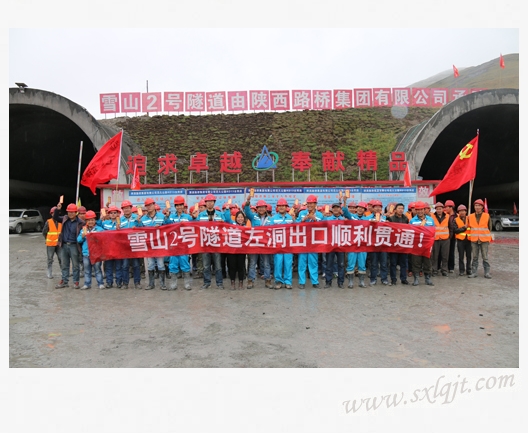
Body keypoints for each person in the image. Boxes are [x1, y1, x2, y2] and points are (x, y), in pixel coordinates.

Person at [195, 193, 227, 289]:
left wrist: (223, 223)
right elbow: (196, 227)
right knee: (206, 265)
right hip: (205, 243)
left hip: (216, 243)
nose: (209, 203)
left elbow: (225, 227)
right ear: (205, 203)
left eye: (211, 201)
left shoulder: (220, 214)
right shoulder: (201, 215)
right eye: (208, 202)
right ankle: (206, 282)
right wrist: (194, 218)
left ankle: (219, 283)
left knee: (218, 265)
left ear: (214, 202)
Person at [138, 197, 168, 290]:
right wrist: (138, 222)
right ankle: (151, 284)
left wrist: (166, 219)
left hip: (159, 244)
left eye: (150, 205)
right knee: (150, 264)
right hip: (149, 245)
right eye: (147, 206)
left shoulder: (162, 216)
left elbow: (169, 226)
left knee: (160, 264)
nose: (149, 207)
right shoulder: (143, 219)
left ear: (154, 205)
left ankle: (162, 284)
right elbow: (140, 230)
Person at [53, 203, 85, 289]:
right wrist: (57, 209)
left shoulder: (80, 222)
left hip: (74, 245)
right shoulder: (64, 219)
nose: (70, 214)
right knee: (64, 264)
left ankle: (76, 282)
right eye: (69, 212)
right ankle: (64, 281)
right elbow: (55, 217)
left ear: (76, 212)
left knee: (75, 265)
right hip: (64, 245)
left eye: (72, 212)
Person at [295, 194, 324, 289]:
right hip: (303, 242)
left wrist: (315, 220)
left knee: (313, 262)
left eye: (312, 203)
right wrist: (303, 220)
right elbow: (295, 225)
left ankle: (315, 282)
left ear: (315, 204)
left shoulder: (320, 215)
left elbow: (324, 227)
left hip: (313, 242)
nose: (310, 205)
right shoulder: (302, 213)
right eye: (308, 203)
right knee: (302, 263)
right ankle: (301, 282)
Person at [165, 196, 193, 290]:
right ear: (175, 207)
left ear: (183, 206)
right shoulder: (171, 217)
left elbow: (194, 227)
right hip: (173, 245)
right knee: (173, 263)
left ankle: (187, 283)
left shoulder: (188, 217)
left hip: (184, 244)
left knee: (184, 262)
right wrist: (167, 217)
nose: (179, 207)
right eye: (177, 205)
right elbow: (166, 226)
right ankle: (173, 283)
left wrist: (194, 218)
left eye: (181, 205)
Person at [244, 198, 272, 289]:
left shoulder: (270, 219)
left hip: (265, 245)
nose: (261, 209)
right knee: (252, 263)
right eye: (259, 207)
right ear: (257, 209)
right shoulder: (253, 217)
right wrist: (247, 202)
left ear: (266, 208)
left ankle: (268, 280)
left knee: (266, 263)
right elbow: (247, 211)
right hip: (255, 244)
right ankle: (250, 280)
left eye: (263, 207)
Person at [269, 198, 295, 289]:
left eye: (283, 206)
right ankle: (278, 281)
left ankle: (288, 281)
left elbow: (297, 229)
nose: (281, 207)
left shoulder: (290, 218)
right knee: (278, 264)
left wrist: (294, 219)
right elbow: (269, 230)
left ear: (286, 207)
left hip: (288, 245)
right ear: (277, 207)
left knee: (288, 264)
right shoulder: (273, 219)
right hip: (278, 245)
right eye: (279, 206)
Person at [342, 200, 368, 288]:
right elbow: (345, 212)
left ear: (365, 210)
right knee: (351, 263)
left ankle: (361, 282)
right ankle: (350, 282)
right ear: (356, 209)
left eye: (362, 208)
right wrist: (344, 202)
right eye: (359, 207)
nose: (360, 209)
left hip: (363, 245)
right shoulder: (352, 217)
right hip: (352, 245)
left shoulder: (367, 219)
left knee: (362, 264)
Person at [97, 205, 124, 288]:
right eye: (111, 213)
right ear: (108, 214)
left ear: (118, 214)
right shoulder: (105, 223)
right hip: (108, 249)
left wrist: (120, 229)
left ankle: (119, 282)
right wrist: (101, 218)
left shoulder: (121, 223)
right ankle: (109, 282)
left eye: (115, 213)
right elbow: (98, 227)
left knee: (118, 267)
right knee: (108, 267)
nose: (113, 214)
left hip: (118, 248)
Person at [409, 201, 435, 286]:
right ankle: (416, 278)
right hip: (416, 245)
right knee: (416, 262)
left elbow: (433, 231)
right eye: (418, 210)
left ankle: (427, 278)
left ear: (424, 210)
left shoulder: (430, 220)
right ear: (415, 211)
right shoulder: (412, 221)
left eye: (421, 209)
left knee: (427, 261)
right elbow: (410, 232)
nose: (420, 211)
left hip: (427, 245)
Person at [77, 210, 105, 290]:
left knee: (97, 269)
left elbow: (104, 240)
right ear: (86, 221)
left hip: (96, 254)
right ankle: (87, 284)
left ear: (95, 220)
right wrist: (82, 236)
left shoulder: (99, 229)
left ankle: (100, 283)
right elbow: (78, 240)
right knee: (87, 270)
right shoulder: (84, 230)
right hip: (86, 254)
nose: (90, 222)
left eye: (92, 220)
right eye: (88, 220)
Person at [119, 200, 142, 289]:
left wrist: (139, 223)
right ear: (122, 210)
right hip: (124, 246)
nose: (126, 209)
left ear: (131, 208)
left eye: (128, 208)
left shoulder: (137, 217)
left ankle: (137, 282)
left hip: (135, 245)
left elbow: (143, 229)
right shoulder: (119, 220)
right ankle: (125, 283)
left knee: (136, 265)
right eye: (124, 208)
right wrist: (117, 229)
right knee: (125, 265)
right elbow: (117, 233)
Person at [223, 208, 249, 289]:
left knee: (241, 267)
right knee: (232, 266)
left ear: (244, 218)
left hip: (241, 250)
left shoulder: (246, 227)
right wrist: (227, 209)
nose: (240, 219)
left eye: (241, 217)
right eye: (238, 217)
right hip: (232, 250)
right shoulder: (232, 224)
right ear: (236, 218)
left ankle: (241, 282)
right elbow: (227, 218)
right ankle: (232, 282)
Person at [365, 199, 389, 286]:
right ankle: (373, 279)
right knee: (374, 263)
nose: (378, 209)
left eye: (379, 207)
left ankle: (384, 279)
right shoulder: (368, 218)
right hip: (373, 244)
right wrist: (369, 223)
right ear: (372, 208)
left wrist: (388, 224)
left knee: (384, 263)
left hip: (383, 244)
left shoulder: (385, 218)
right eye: (376, 207)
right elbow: (364, 228)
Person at [468, 199, 492, 278]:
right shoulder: (470, 216)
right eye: (476, 206)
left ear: (482, 207)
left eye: (479, 206)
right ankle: (474, 272)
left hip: (484, 239)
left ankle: (487, 273)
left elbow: (490, 227)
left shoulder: (487, 216)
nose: (477, 207)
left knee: (485, 257)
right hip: (474, 239)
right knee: (475, 257)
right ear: (474, 207)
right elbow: (469, 227)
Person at [324, 203, 346, 288]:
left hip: (341, 245)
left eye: (337, 208)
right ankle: (328, 282)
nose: (336, 209)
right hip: (330, 245)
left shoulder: (344, 220)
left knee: (341, 264)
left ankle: (340, 282)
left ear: (340, 209)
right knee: (329, 264)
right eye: (334, 208)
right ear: (332, 210)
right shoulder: (327, 219)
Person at [387, 202, 409, 285]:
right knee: (393, 263)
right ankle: (393, 279)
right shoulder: (391, 218)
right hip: (394, 244)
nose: (401, 210)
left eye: (402, 208)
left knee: (403, 263)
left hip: (403, 243)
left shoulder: (406, 219)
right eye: (399, 208)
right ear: (395, 210)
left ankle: (403, 278)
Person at [452, 204, 472, 276]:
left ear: (466, 212)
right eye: (460, 211)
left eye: (463, 211)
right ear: (458, 212)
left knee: (469, 256)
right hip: (460, 241)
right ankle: (461, 270)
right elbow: (455, 230)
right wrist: (464, 228)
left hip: (469, 240)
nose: (462, 212)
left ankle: (469, 269)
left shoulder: (469, 219)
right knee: (461, 256)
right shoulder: (455, 220)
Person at [431, 202, 450, 277]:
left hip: (445, 239)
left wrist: (449, 236)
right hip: (435, 239)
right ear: (435, 209)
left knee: (445, 256)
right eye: (437, 209)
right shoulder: (432, 216)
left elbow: (451, 227)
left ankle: (444, 270)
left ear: (443, 209)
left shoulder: (447, 216)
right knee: (435, 256)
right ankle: (434, 270)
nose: (439, 210)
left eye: (440, 209)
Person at [42, 206, 62, 279]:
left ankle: (63, 272)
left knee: (61, 258)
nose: (55, 214)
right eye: (53, 213)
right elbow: (44, 232)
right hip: (50, 244)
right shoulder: (48, 222)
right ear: (51, 214)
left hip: (59, 244)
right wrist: (48, 239)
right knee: (50, 259)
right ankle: (49, 272)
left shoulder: (61, 222)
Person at [444, 200, 457, 273]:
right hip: (445, 236)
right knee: (444, 253)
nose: (445, 208)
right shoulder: (445, 215)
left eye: (447, 207)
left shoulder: (456, 216)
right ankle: (443, 266)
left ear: (451, 207)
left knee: (451, 252)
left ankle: (451, 267)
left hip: (453, 237)